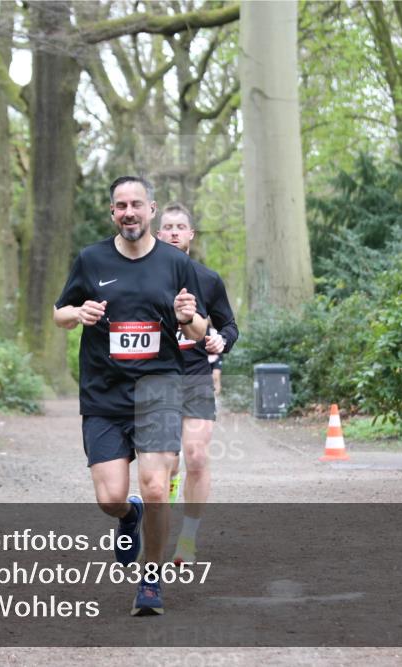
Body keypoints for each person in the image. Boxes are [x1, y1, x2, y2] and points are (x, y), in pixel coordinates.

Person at [53, 176, 207, 616]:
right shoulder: (91, 259)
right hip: (104, 393)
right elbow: (59, 312)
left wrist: (189, 317)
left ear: (151, 210)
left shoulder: (175, 263)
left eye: (136, 204)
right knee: (109, 497)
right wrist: (77, 313)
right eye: (121, 206)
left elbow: (199, 330)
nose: (129, 212)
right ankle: (127, 517)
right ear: (112, 213)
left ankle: (150, 579)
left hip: (158, 387)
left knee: (157, 487)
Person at [156, 203, 238, 565]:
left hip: (195, 378)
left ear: (191, 235)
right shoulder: (143, 279)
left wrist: (221, 341)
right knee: (167, 464)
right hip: (155, 380)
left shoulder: (208, 279)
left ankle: (187, 540)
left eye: (180, 227)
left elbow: (229, 326)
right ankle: (170, 487)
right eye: (168, 227)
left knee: (197, 455)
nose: (174, 232)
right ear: (158, 235)